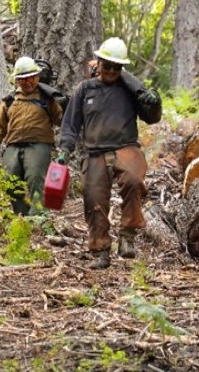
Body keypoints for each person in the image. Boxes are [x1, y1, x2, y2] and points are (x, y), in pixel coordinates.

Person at [57, 37, 163, 269]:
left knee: (134, 180)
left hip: (126, 146)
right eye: (108, 66)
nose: (112, 71)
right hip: (94, 152)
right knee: (93, 198)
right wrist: (65, 149)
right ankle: (100, 250)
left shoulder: (130, 88)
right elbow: (71, 123)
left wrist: (154, 103)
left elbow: (152, 118)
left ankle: (127, 234)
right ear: (99, 63)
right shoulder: (84, 89)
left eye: (117, 67)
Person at [0, 56, 63, 216]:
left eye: (31, 78)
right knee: (9, 181)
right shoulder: (9, 101)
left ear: (37, 77)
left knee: (36, 180)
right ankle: (22, 216)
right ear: (17, 80)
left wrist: (67, 108)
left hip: (38, 146)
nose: (27, 82)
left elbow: (61, 121)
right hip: (13, 146)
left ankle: (37, 218)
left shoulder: (47, 98)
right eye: (22, 79)